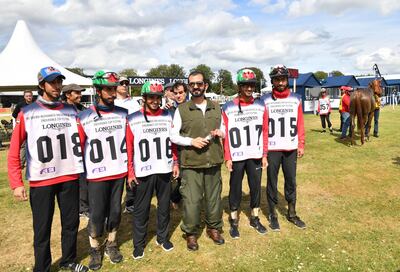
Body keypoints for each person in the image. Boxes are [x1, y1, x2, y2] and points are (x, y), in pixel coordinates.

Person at [8, 66, 88, 272]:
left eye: (59, 82)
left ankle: (68, 260)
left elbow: (82, 139)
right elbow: (14, 150)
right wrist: (16, 183)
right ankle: (42, 267)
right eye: (52, 82)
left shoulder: (71, 110)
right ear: (41, 85)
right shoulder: (27, 112)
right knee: (42, 229)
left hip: (69, 176)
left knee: (70, 224)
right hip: (41, 180)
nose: (57, 86)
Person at [78, 70, 127, 270]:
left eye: (114, 88)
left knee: (115, 211)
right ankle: (95, 248)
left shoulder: (123, 113)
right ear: (98, 90)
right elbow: (78, 148)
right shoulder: (84, 116)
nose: (112, 92)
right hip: (96, 174)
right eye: (108, 89)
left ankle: (112, 244)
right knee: (97, 215)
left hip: (118, 171)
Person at [171, 70, 225, 251]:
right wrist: (190, 141)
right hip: (191, 163)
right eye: (192, 84)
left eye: (199, 84)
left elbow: (224, 129)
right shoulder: (181, 109)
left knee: (213, 199)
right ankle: (191, 233)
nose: (195, 87)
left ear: (205, 86)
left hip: (213, 161)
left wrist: (220, 133)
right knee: (192, 201)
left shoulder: (216, 107)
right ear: (188, 86)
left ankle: (214, 228)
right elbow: (173, 136)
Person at [126, 81, 179, 259]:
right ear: (145, 98)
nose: (155, 100)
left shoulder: (168, 115)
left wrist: (176, 163)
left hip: (164, 168)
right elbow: (129, 147)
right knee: (141, 209)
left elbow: (172, 143)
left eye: (158, 97)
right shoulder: (133, 118)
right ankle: (138, 243)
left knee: (164, 207)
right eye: (151, 97)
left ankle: (162, 238)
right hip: (143, 171)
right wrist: (130, 172)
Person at [222, 68, 269, 239]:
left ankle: (255, 218)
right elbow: (225, 134)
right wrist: (227, 156)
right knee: (235, 188)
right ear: (239, 86)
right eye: (246, 85)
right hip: (237, 155)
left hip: (255, 154)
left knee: (255, 187)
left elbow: (265, 130)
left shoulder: (260, 104)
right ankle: (234, 220)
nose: (249, 88)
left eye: (252, 85)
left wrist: (264, 154)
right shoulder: (228, 107)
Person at [261, 64, 306, 231]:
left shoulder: (296, 98)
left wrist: (301, 143)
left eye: (283, 79)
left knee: (291, 181)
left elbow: (300, 122)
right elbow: (263, 127)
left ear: (287, 80)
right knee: (272, 182)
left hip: (290, 147)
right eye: (277, 79)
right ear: (272, 81)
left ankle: (292, 213)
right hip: (273, 148)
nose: (281, 82)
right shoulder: (264, 100)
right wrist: (264, 151)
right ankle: (273, 214)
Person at [61, 84, 89, 218]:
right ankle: (79, 208)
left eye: (80, 92)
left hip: (84, 151)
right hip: (66, 151)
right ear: (67, 95)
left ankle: (84, 207)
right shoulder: (60, 110)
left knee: (84, 180)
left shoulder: (83, 109)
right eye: (76, 93)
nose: (80, 95)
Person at [114, 76, 137, 214]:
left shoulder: (134, 103)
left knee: (131, 172)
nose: (124, 85)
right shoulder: (111, 102)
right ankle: (114, 206)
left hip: (130, 143)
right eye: (121, 83)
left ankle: (130, 203)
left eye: (126, 83)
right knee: (116, 177)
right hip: (115, 143)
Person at [169, 81, 189, 209]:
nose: (178, 95)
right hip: (175, 149)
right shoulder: (169, 111)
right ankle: (175, 198)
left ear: (186, 93)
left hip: (189, 147)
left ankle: (179, 198)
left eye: (181, 93)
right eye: (176, 93)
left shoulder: (192, 108)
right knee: (179, 177)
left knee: (187, 177)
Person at [12, 89, 34, 168]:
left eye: (30, 96)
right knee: (23, 146)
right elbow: (14, 115)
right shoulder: (20, 105)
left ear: (32, 96)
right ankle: (21, 163)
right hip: (23, 128)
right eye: (27, 96)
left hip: (33, 128)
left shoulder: (35, 105)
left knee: (33, 145)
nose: (29, 97)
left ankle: (32, 163)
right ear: (24, 97)